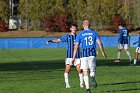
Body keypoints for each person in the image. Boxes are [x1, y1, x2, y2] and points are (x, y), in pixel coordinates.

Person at [71, 20, 106, 93]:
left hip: (84, 55)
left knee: (85, 71)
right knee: (92, 70)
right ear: (89, 25)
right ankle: (92, 78)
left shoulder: (80, 34)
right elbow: (100, 43)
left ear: (83, 25)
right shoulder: (94, 33)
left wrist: (73, 57)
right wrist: (103, 52)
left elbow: (76, 46)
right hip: (92, 54)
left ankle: (88, 89)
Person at [47, 24, 84, 88]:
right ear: (70, 29)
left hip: (77, 56)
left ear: (76, 29)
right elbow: (58, 40)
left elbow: (84, 44)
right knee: (67, 69)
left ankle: (81, 84)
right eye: (73, 28)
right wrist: (51, 41)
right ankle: (67, 84)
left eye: (75, 28)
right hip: (69, 56)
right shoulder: (67, 36)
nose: (74, 29)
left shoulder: (79, 36)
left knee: (79, 70)